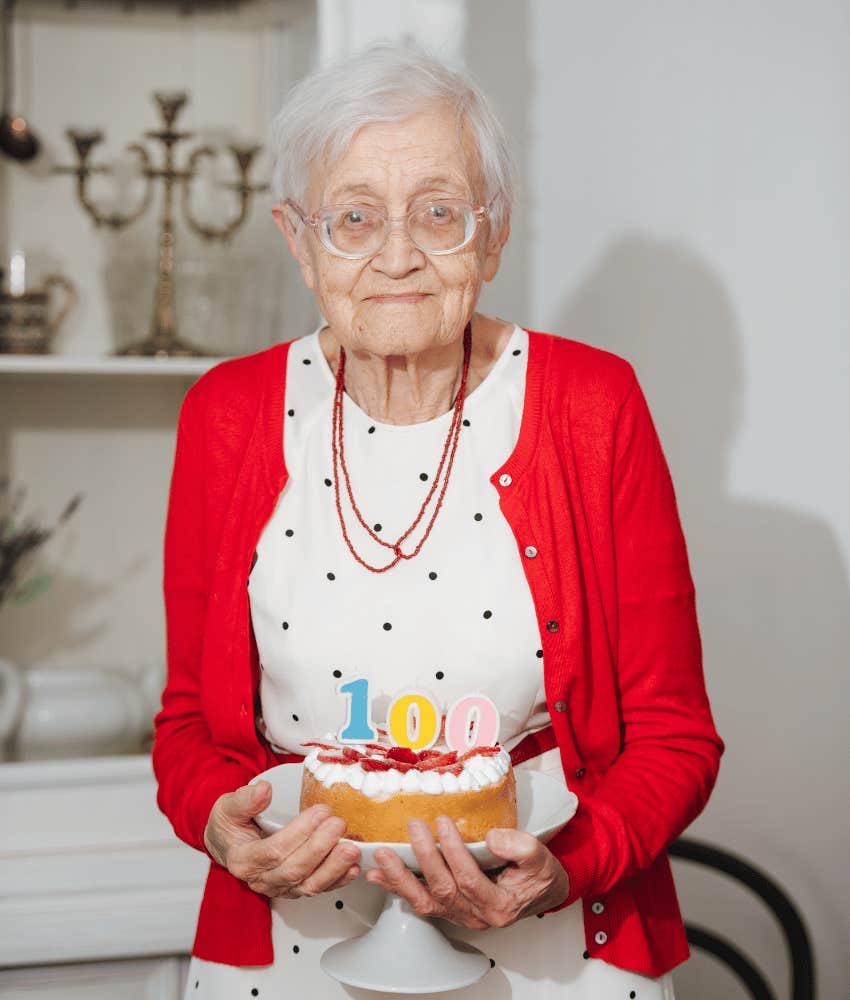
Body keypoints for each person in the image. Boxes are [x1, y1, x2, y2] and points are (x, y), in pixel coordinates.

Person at [153, 41, 724, 1000]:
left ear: (492, 235)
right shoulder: (227, 413)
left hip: (550, 950)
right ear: (300, 241)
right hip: (291, 947)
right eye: (355, 218)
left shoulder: (593, 404)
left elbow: (675, 736)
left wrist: (566, 866)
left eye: (440, 212)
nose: (399, 255)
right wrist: (218, 821)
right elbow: (182, 727)